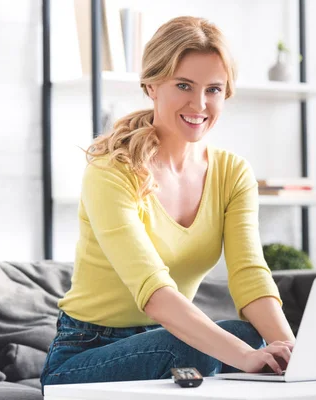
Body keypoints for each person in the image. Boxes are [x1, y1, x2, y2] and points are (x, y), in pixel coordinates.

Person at [40, 16, 295, 389]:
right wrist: (242, 356)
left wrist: (288, 349)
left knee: (248, 333)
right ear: (151, 85)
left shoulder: (233, 173)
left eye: (214, 89)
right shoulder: (112, 170)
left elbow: (250, 276)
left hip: (170, 341)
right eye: (184, 85)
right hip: (85, 353)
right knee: (205, 347)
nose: (199, 103)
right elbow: (154, 292)